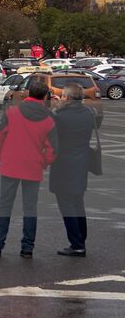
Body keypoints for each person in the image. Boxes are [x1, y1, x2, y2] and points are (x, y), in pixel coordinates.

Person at [0, 75, 58, 257]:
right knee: (30, 208)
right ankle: (27, 247)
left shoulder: (12, 112)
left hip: (11, 164)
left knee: (4, 205)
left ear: (27, 93)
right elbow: (53, 149)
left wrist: (1, 155)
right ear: (44, 97)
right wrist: (43, 162)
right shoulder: (49, 119)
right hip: (33, 166)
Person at [49, 83, 100, 256]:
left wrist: (57, 107)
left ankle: (77, 244)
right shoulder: (89, 113)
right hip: (82, 163)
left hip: (63, 164)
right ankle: (81, 239)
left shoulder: (59, 115)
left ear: (68, 98)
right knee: (78, 202)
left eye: (63, 96)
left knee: (66, 205)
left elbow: (52, 133)